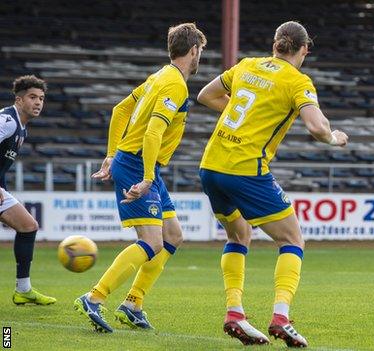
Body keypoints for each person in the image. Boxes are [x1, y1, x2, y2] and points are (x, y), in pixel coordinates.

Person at [197, 21, 348, 347]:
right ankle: (281, 317)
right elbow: (315, 127)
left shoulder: (247, 65)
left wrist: (242, 119)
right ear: (304, 49)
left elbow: (205, 95)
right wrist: (334, 138)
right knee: (292, 239)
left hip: (210, 165)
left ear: (276, 44)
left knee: (239, 234)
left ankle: (235, 313)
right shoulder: (297, 81)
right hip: (245, 169)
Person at [74, 23, 206, 333]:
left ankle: (133, 303)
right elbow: (153, 131)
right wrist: (146, 177)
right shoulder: (175, 84)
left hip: (141, 164)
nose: (200, 56)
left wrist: (110, 154)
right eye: (200, 51)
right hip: (138, 165)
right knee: (151, 241)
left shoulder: (158, 76)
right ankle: (94, 297)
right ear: (192, 51)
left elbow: (120, 109)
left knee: (173, 236)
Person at [0, 75, 56, 306]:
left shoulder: (22, 128)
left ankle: (23, 290)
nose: (38, 102)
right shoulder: (8, 121)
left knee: (28, 226)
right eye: (32, 97)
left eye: (41, 98)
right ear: (19, 100)